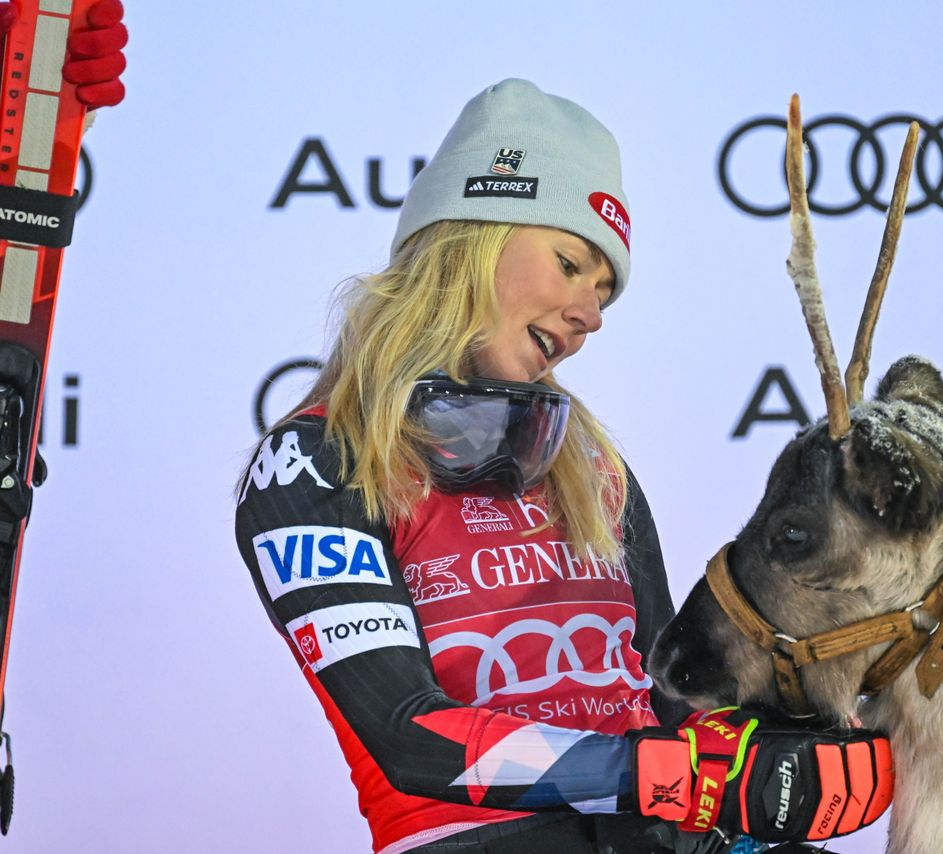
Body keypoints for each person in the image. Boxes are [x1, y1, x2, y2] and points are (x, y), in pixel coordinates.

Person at [235, 79, 891, 854]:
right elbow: (406, 735)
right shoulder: (313, 462)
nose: (592, 314)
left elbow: (668, 697)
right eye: (570, 262)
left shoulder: (588, 461)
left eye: (606, 289)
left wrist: (786, 753)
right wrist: (666, 774)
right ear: (473, 232)